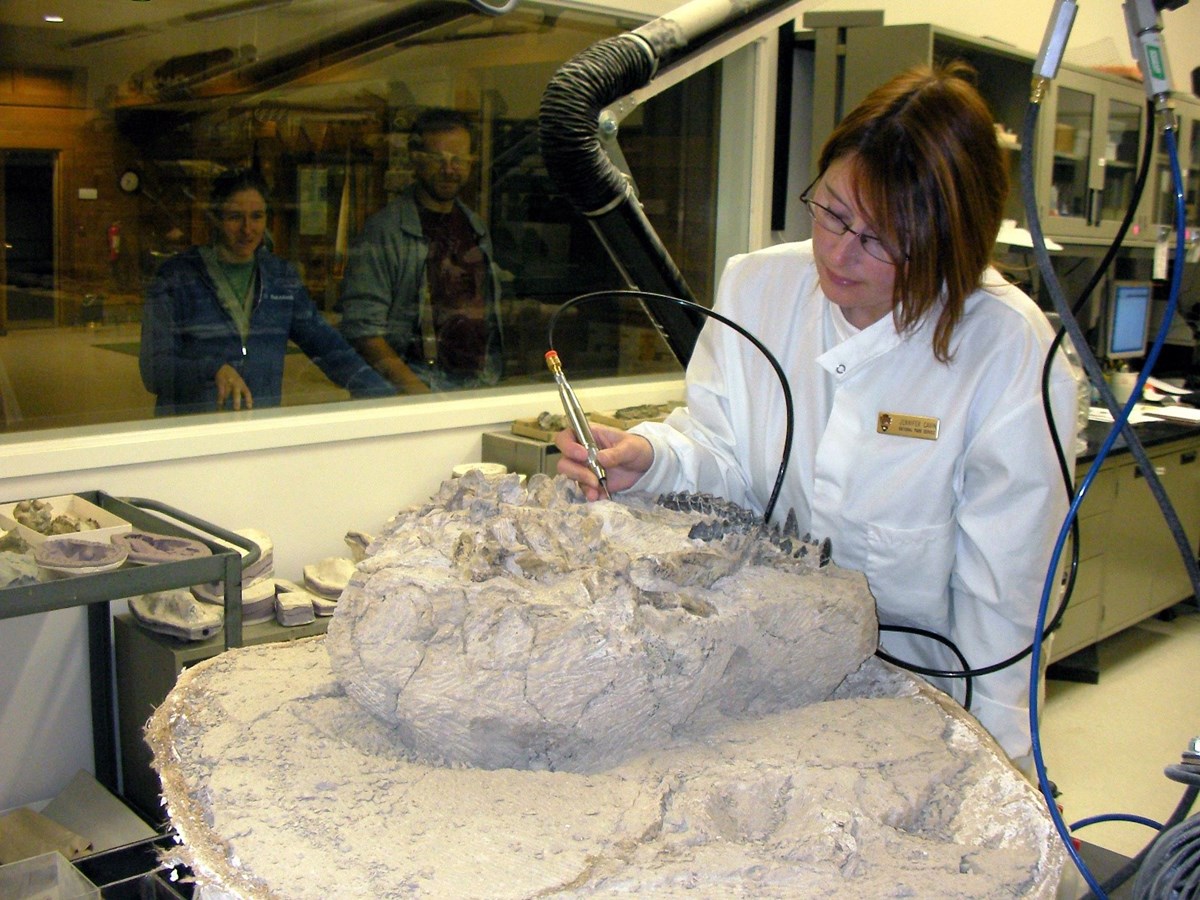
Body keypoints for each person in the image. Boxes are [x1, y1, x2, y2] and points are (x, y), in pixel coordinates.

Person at [555, 62, 1079, 769]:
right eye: (831, 212)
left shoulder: (1007, 347)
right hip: (773, 670)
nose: (835, 253)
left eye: (878, 239)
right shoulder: (760, 284)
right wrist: (654, 459)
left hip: (923, 698)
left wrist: (1001, 766)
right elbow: (727, 455)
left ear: (948, 238)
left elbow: (1006, 598)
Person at [140, 168, 394, 415]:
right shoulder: (177, 278)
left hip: (258, 430)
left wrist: (385, 394)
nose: (247, 229)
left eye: (257, 216)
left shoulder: (280, 278)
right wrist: (211, 369)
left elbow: (327, 346)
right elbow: (154, 369)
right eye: (235, 217)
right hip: (192, 437)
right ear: (215, 218)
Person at [338, 107, 504, 393]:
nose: (449, 169)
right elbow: (364, 332)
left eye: (458, 159)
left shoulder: (475, 227)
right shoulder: (385, 231)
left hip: (478, 384)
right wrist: (417, 394)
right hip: (417, 388)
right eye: (437, 159)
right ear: (415, 160)